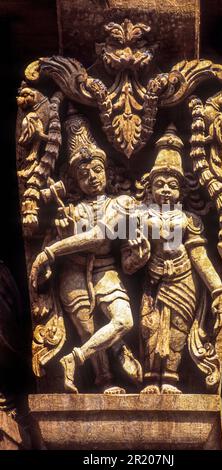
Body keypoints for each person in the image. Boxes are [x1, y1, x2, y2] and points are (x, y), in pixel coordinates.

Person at [31, 112, 142, 394]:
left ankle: (77, 356)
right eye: (83, 174)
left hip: (105, 270)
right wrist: (60, 230)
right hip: (73, 274)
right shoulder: (73, 210)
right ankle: (104, 379)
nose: (92, 178)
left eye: (96, 171)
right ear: (73, 180)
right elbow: (68, 240)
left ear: (108, 171)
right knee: (87, 329)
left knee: (124, 319)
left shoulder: (122, 203)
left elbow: (98, 238)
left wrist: (51, 251)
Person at [124, 124, 222, 394]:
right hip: (154, 280)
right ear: (149, 188)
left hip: (183, 280)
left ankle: (169, 377)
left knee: (177, 329)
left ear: (182, 190)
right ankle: (149, 378)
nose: (166, 190)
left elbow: (199, 256)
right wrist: (138, 255)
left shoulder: (189, 220)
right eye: (160, 184)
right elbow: (128, 264)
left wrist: (217, 289)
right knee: (150, 327)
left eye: (172, 185)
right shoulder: (140, 218)